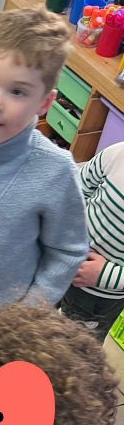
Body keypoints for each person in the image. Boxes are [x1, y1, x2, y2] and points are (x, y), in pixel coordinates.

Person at [0, 7, 88, 307]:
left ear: (44, 102)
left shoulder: (56, 171)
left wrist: (28, 312)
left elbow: (68, 251)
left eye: (17, 92)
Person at [59, 140, 124, 342]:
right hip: (63, 261)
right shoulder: (117, 153)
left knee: (79, 348)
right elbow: (77, 190)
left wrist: (105, 274)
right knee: (36, 318)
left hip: (100, 295)